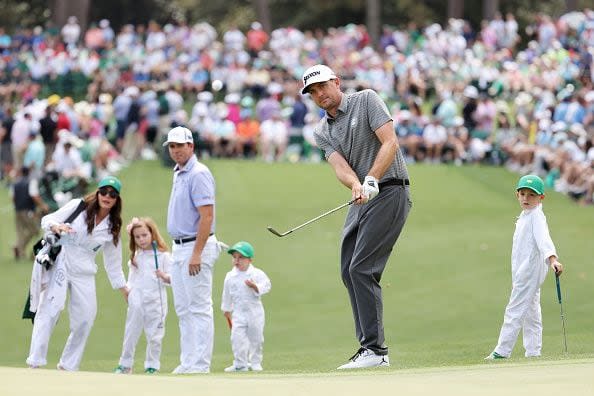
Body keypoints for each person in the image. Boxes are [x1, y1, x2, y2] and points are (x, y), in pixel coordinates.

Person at [301, 64, 412, 369]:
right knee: (348, 270)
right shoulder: (322, 130)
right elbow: (340, 166)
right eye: (312, 92)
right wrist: (355, 184)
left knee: (362, 268)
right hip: (362, 197)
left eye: (323, 86)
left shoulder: (366, 100)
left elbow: (390, 141)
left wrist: (373, 178)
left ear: (337, 82)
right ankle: (369, 348)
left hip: (391, 190)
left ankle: (376, 351)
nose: (319, 94)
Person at [26, 175, 129, 371]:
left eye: (113, 194)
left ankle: (68, 366)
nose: (107, 196)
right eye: (104, 192)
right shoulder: (78, 206)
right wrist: (56, 226)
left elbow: (113, 263)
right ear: (98, 193)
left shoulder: (113, 226)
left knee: (85, 318)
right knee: (50, 309)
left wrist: (123, 288)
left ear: (117, 199)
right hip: (63, 261)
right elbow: (48, 219)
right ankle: (35, 361)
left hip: (85, 269)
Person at [485, 175, 563, 360]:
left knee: (515, 309)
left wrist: (553, 260)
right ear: (517, 195)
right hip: (522, 271)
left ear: (541, 198)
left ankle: (502, 351)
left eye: (531, 195)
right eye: (523, 194)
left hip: (529, 272)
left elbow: (544, 240)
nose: (526, 198)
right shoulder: (526, 215)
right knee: (531, 312)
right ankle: (534, 352)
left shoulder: (536, 217)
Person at [164, 126, 221, 374]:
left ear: (191, 146)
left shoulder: (198, 173)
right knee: (183, 309)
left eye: (180, 146)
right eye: (172, 146)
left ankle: (200, 364)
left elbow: (206, 217)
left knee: (199, 307)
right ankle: (188, 361)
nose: (176, 150)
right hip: (179, 248)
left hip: (195, 247)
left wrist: (197, 253)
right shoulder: (179, 173)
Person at [114, 217, 172, 375]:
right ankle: (125, 364)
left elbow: (174, 279)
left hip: (156, 300)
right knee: (131, 331)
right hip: (137, 298)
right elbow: (132, 278)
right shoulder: (136, 256)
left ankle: (152, 365)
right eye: (137, 237)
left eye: (144, 235)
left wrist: (164, 276)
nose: (141, 239)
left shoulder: (163, 256)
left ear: (152, 234)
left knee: (155, 335)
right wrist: (129, 292)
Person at [221, 241, 271, 372]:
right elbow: (226, 293)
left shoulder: (256, 273)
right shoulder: (230, 276)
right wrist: (226, 309)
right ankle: (240, 363)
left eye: (241, 258)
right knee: (236, 338)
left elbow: (267, 285)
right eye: (234, 257)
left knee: (256, 337)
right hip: (238, 311)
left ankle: (255, 362)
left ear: (249, 259)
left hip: (254, 311)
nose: (237, 261)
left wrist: (255, 286)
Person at [11, 166, 48, 260]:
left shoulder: (15, 183)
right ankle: (19, 247)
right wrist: (43, 205)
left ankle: (19, 249)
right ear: (29, 173)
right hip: (28, 211)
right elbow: (34, 196)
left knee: (20, 232)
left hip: (17, 211)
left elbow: (13, 197)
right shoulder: (31, 182)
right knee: (34, 230)